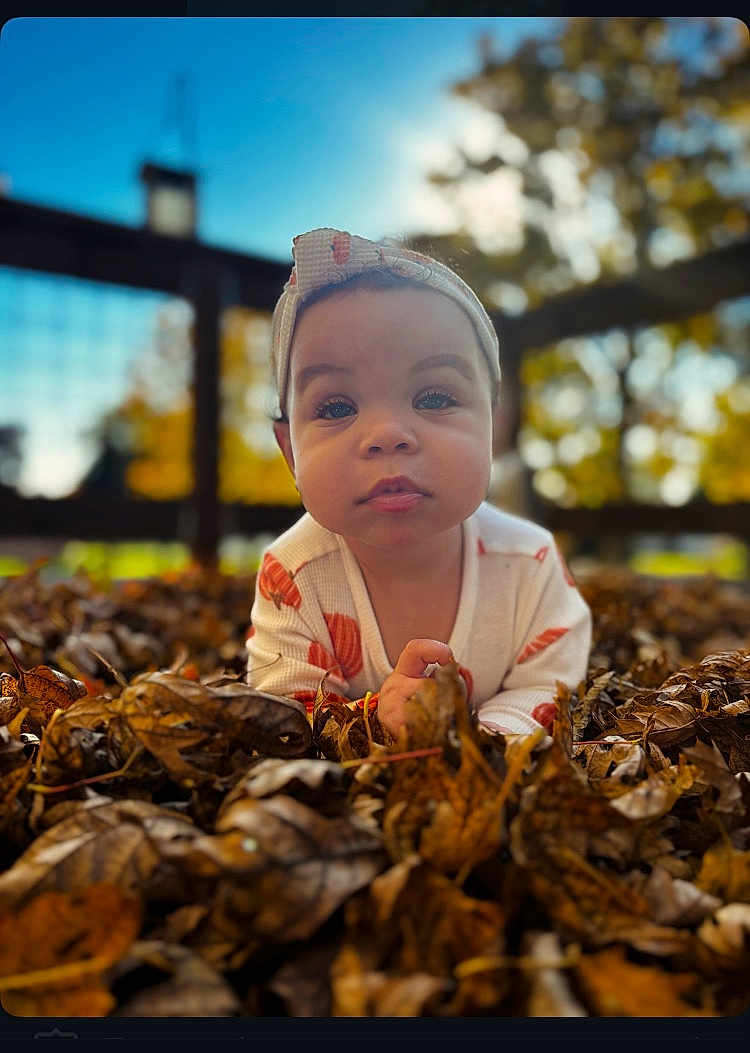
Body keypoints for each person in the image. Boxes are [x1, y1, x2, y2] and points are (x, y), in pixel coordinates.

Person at [246, 228, 591, 738]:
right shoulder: (293, 578)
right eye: (337, 407)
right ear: (290, 452)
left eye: (433, 397)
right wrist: (372, 722)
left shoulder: (530, 563)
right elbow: (282, 714)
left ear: (493, 429)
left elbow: (554, 682)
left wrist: (479, 740)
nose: (388, 435)